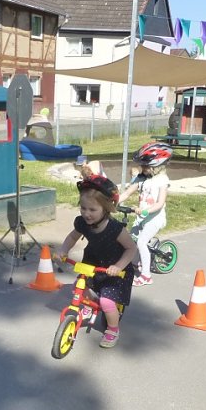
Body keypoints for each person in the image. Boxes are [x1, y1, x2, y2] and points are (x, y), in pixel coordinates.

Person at [56, 175, 137, 349]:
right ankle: (90, 305)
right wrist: (64, 250)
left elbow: (131, 248)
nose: (86, 213)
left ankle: (113, 329)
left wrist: (118, 266)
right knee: (79, 287)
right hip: (93, 262)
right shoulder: (83, 223)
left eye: (92, 210)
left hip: (115, 268)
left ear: (106, 208)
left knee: (107, 302)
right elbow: (72, 237)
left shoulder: (115, 228)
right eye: (83, 208)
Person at [119, 141, 172, 287]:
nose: (142, 168)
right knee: (131, 241)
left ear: (157, 166)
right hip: (141, 217)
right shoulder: (141, 178)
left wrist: (145, 210)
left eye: (145, 166)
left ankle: (146, 276)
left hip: (155, 218)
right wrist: (114, 201)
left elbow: (160, 203)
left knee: (141, 242)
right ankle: (138, 263)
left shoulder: (162, 180)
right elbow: (128, 192)